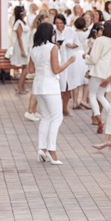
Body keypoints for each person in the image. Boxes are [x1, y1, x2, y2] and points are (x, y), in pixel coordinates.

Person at [29, 22, 76, 165]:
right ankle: (51, 150)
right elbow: (56, 69)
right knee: (57, 117)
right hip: (50, 86)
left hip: (38, 86)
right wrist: (69, 62)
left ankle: (42, 149)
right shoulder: (52, 48)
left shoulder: (34, 49)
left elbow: (30, 70)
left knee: (45, 117)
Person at [85, 22, 111, 133]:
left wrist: (85, 56)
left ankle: (100, 120)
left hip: (98, 71)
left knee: (92, 95)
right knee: (101, 96)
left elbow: (94, 59)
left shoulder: (99, 40)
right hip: (108, 74)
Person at [54, 14, 83, 116]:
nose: (59, 25)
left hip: (70, 61)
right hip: (58, 61)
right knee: (58, 87)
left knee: (68, 86)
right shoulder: (53, 32)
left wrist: (71, 45)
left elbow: (78, 43)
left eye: (61, 23)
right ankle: (57, 109)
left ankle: (64, 108)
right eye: (57, 23)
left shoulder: (71, 31)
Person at [11, 5, 31, 95]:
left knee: (24, 67)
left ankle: (22, 86)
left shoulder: (23, 22)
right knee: (26, 68)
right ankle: (19, 87)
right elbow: (19, 37)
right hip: (21, 46)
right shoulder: (19, 22)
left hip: (25, 45)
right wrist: (22, 50)